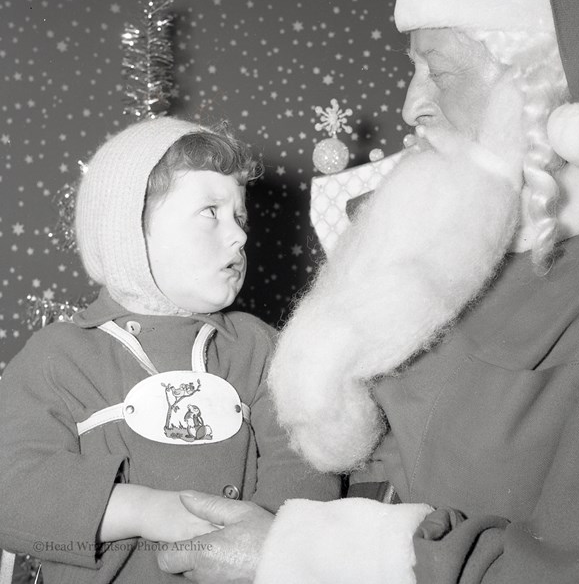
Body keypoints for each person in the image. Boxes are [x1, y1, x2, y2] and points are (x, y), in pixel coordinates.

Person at [156, 0, 579, 582]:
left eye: (441, 71)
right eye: (411, 67)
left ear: (548, 84)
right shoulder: (481, 235)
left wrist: (294, 553)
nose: (410, 104)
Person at [0, 117, 340, 583]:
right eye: (210, 212)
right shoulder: (58, 357)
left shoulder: (260, 348)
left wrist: (276, 547)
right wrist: (142, 510)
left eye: (240, 216)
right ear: (129, 230)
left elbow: (306, 467)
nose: (240, 235)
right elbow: (11, 489)